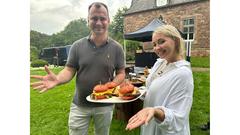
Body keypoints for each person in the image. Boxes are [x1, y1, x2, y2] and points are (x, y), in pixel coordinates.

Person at [31, 2, 125, 135]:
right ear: (88, 20)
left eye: (102, 18)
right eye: (94, 18)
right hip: (79, 105)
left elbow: (121, 72)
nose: (98, 22)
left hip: (105, 103)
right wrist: (57, 79)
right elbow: (69, 70)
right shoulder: (77, 46)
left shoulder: (117, 48)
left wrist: (113, 84)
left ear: (108, 21)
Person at [125, 25, 194, 135]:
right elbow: (151, 90)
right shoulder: (160, 63)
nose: (157, 48)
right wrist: (135, 91)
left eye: (161, 42)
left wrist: (155, 111)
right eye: (154, 44)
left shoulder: (182, 73)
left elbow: (179, 118)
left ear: (176, 41)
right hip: (150, 123)